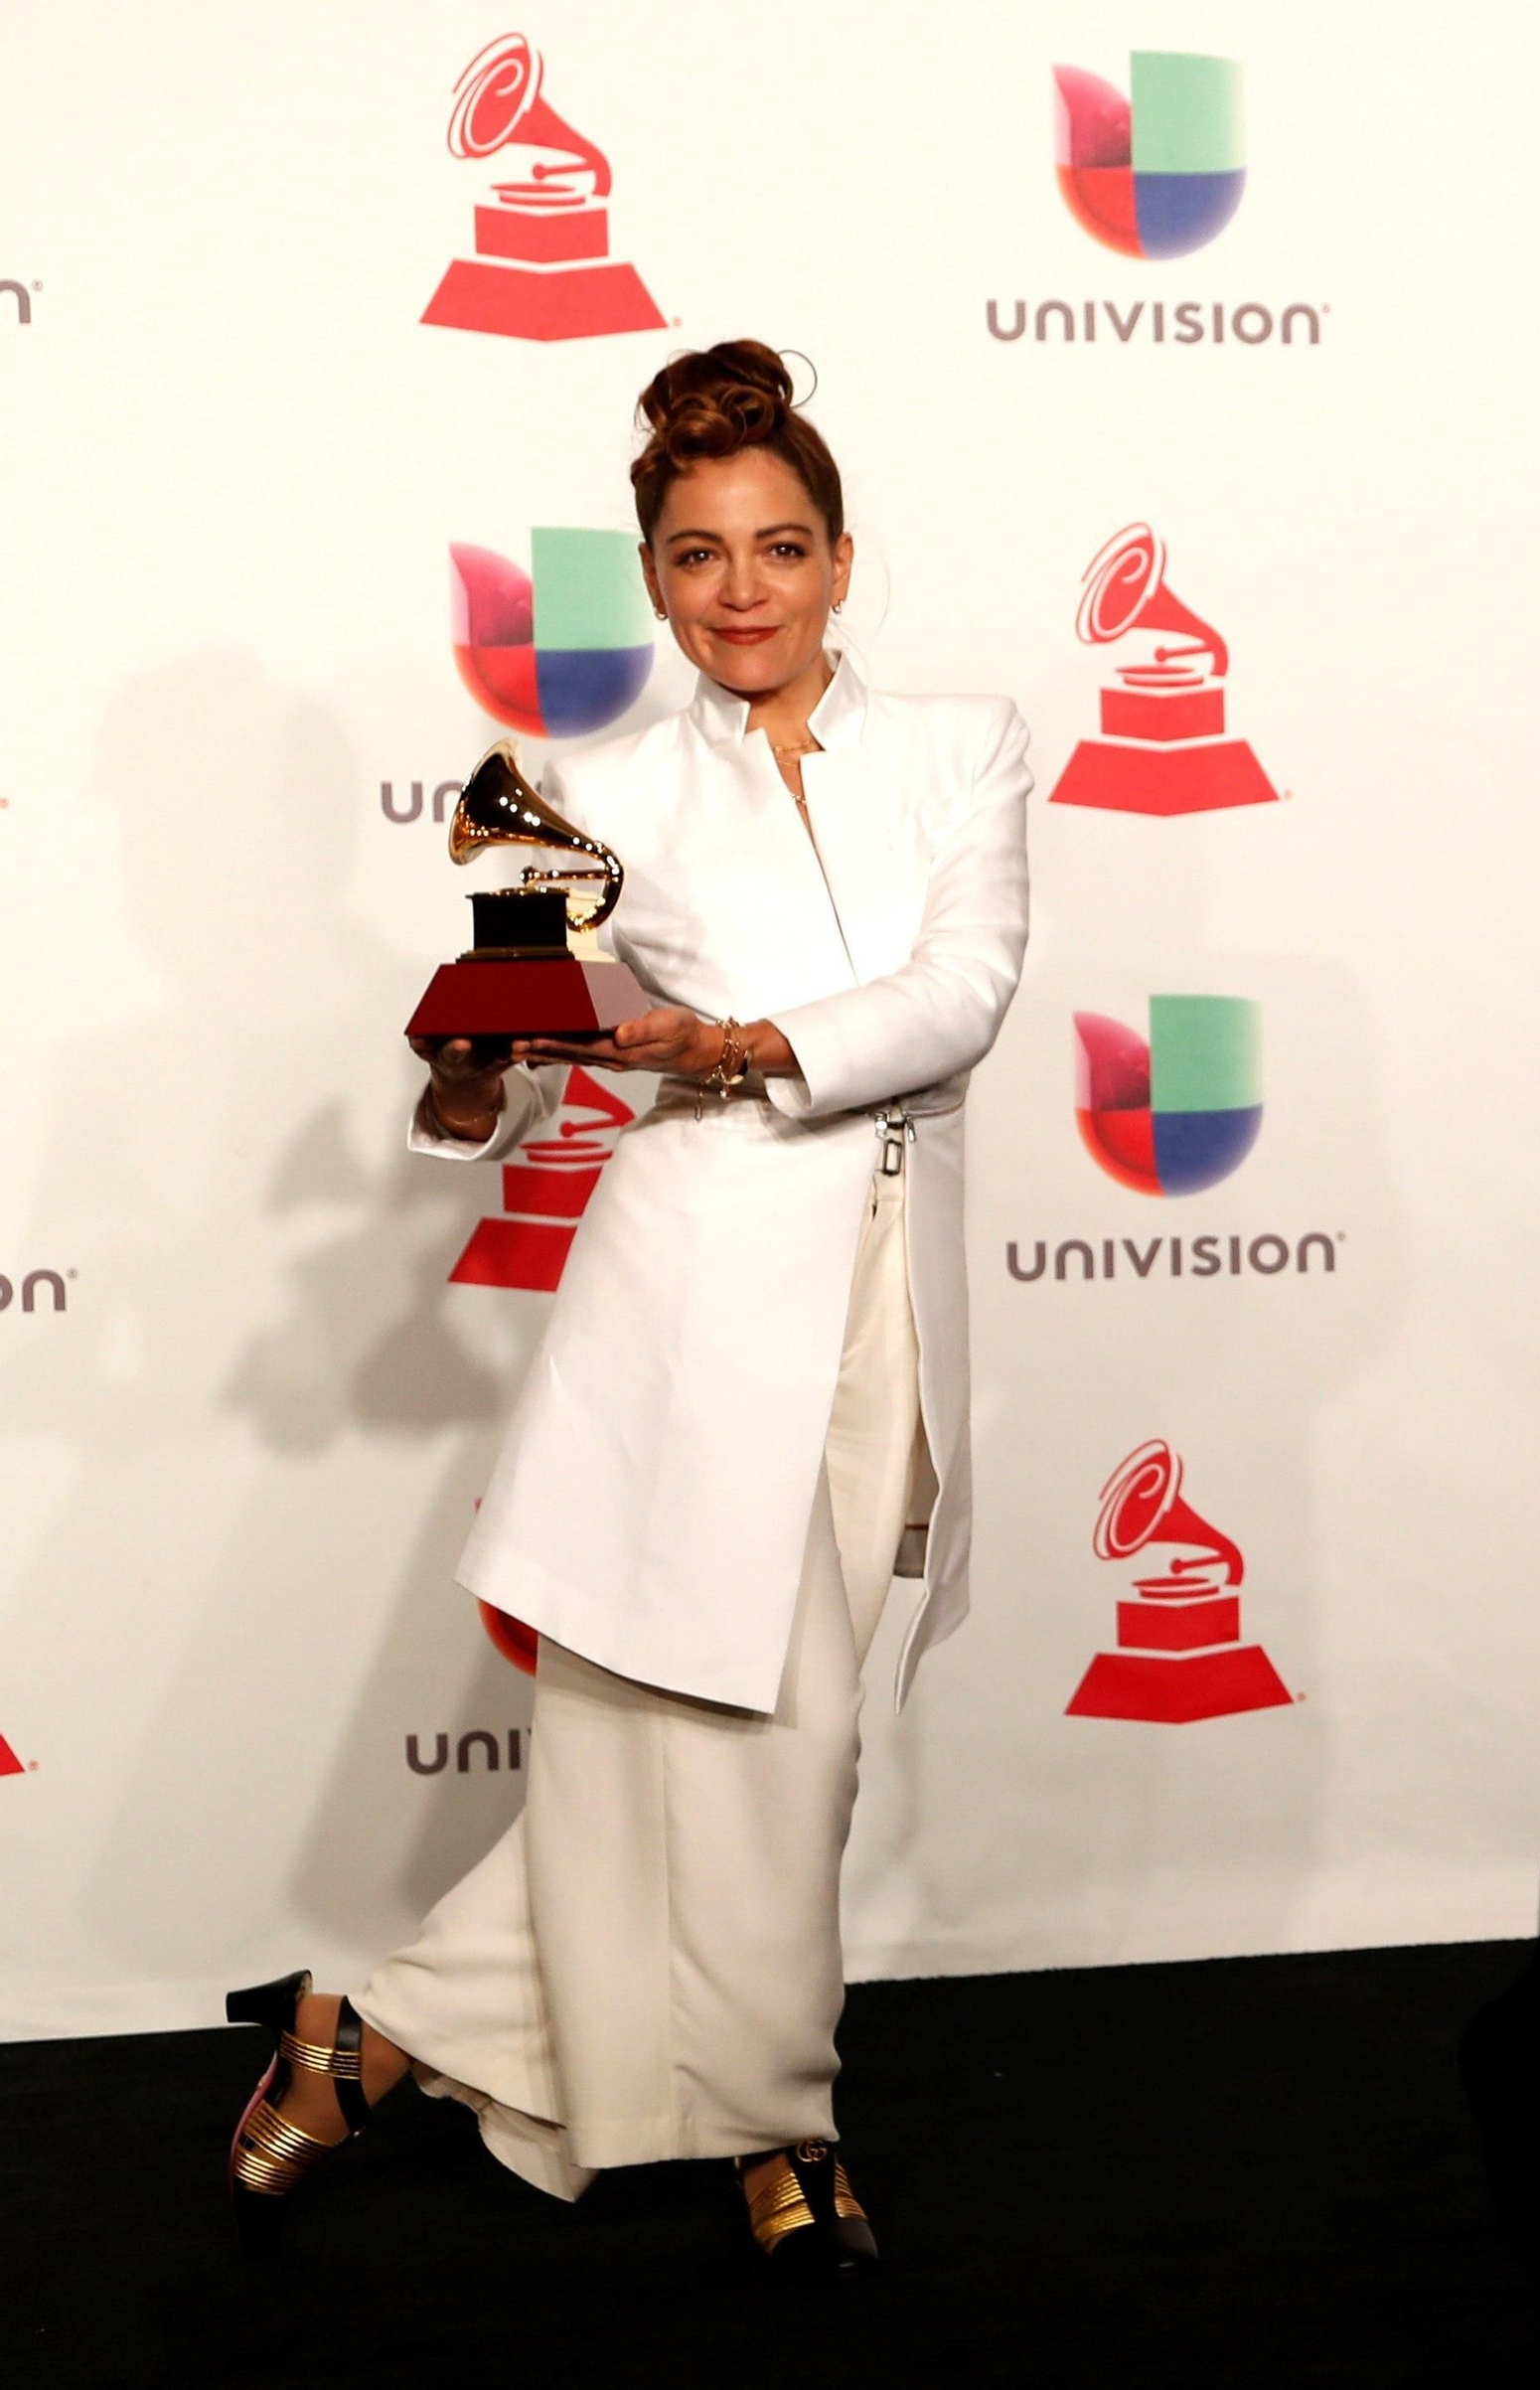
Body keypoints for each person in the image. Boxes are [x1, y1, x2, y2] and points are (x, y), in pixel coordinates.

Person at [225, 339, 1033, 2275]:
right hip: (690, 1300)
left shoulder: (966, 743)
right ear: (654, 579)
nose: (739, 587)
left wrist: (747, 1037)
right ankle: (777, 2127)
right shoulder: (577, 793)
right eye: (695, 553)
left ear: (842, 560)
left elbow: (969, 984)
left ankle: (385, 2026)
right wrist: (454, 1082)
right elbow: (509, 1065)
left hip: (883, 1301)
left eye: (776, 546)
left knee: (752, 1740)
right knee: (759, 1734)